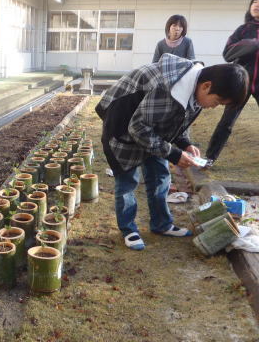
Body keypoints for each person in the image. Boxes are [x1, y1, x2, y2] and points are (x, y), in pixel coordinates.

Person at [95, 54, 248, 251]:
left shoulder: (195, 88)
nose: (213, 107)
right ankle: (128, 229)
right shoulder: (167, 89)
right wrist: (174, 154)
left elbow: (179, 118)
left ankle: (161, 224)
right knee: (127, 182)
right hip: (121, 127)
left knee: (160, 176)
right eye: (217, 102)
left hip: (153, 131)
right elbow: (138, 128)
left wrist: (184, 143)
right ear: (206, 86)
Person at [205, 0, 259, 166]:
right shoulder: (242, 30)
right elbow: (227, 53)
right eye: (254, 2)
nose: (256, 5)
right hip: (241, 82)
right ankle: (210, 158)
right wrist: (252, 43)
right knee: (227, 121)